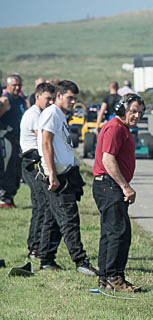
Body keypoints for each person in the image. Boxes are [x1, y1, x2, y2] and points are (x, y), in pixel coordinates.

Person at [37, 80, 97, 275]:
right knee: (69, 218)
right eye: (70, 98)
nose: (73, 102)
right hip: (57, 175)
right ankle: (80, 261)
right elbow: (46, 143)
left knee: (53, 219)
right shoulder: (52, 113)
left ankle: (46, 259)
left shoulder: (60, 115)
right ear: (59, 96)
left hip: (64, 173)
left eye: (75, 99)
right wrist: (52, 175)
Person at [93, 94, 145, 292]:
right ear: (122, 109)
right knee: (119, 232)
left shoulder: (121, 128)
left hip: (108, 185)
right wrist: (125, 186)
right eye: (133, 111)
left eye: (140, 112)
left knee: (111, 232)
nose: (136, 115)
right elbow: (108, 160)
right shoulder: (115, 127)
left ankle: (106, 277)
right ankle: (114, 278)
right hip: (110, 185)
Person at [19, 82, 55, 259]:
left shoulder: (41, 113)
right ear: (37, 96)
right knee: (41, 204)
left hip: (36, 160)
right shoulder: (34, 114)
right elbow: (43, 140)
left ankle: (38, 246)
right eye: (47, 99)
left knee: (43, 204)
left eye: (52, 99)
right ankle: (34, 248)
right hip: (31, 160)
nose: (50, 102)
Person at [0, 74, 28, 207]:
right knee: (7, 168)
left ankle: (9, 197)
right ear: (8, 86)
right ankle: (3, 197)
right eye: (14, 85)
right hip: (7, 138)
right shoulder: (5, 100)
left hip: (19, 139)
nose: (17, 88)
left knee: (17, 169)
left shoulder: (21, 100)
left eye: (19, 85)